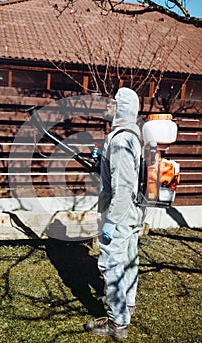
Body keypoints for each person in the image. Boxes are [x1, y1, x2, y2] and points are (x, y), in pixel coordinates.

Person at [85, 87, 143, 339]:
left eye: (113, 104)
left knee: (112, 263)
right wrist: (101, 163)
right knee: (130, 257)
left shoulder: (120, 140)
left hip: (120, 213)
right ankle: (127, 305)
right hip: (134, 212)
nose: (108, 107)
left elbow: (124, 188)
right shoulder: (132, 135)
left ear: (122, 108)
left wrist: (111, 221)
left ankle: (117, 324)